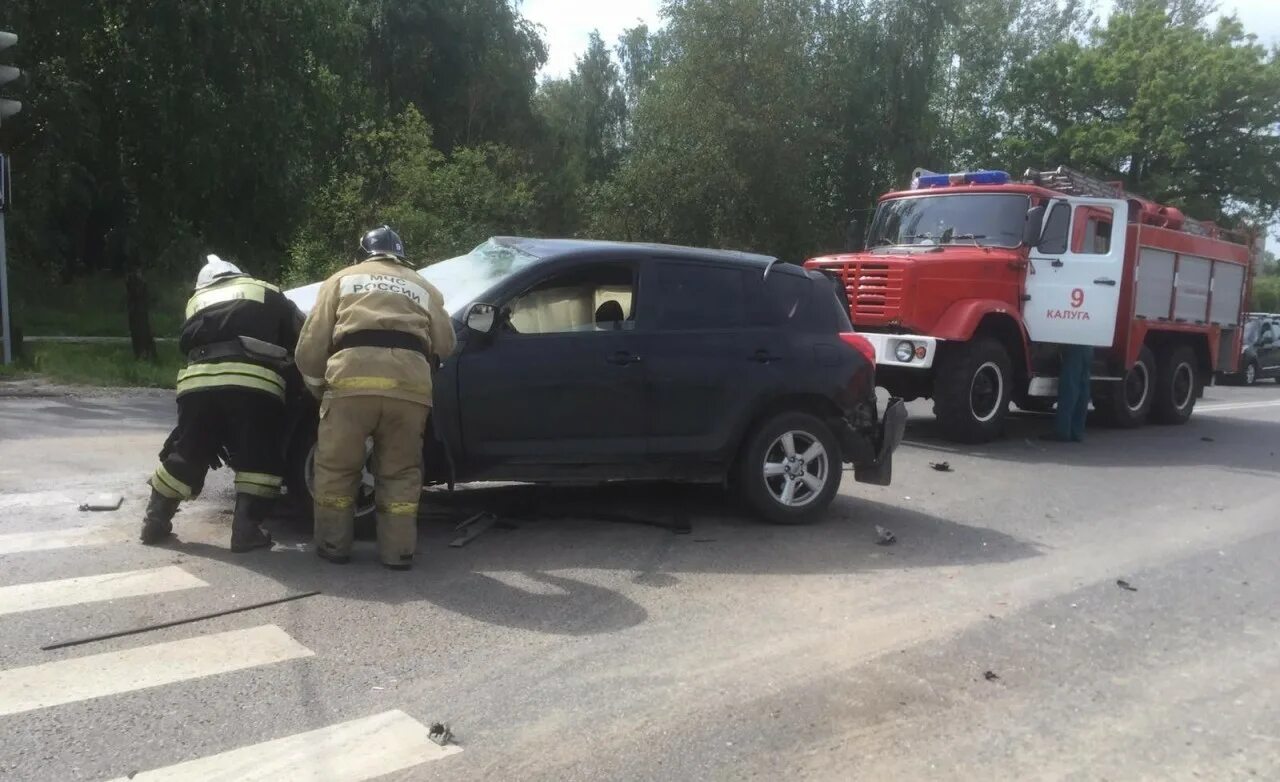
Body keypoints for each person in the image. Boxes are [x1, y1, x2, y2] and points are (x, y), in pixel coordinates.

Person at [295, 226, 456, 570]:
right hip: (409, 390)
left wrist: (317, 386)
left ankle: (333, 546)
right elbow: (446, 344)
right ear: (400, 255)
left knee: (337, 469)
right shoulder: (422, 285)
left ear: (363, 254)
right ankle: (398, 553)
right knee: (400, 473)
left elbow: (311, 344)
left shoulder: (341, 280)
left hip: (350, 385)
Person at [141, 255, 305, 550]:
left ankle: (156, 517)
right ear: (240, 275)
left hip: (197, 384)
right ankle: (246, 530)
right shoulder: (266, 291)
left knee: (188, 450)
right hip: (252, 384)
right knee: (259, 456)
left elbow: (186, 345)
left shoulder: (196, 301)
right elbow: (301, 333)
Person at [1044, 343, 1094, 443]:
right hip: (1089, 343)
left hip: (1075, 341)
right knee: (1082, 385)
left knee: (1070, 385)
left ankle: (1063, 431)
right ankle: (1077, 432)